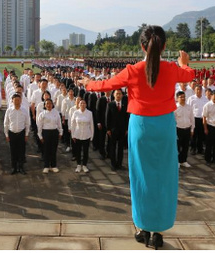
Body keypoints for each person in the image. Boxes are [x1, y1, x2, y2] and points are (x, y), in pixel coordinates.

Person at [82, 25, 194, 249]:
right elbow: (189, 75)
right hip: (164, 126)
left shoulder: (132, 71)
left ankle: (142, 227)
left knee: (140, 177)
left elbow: (105, 85)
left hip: (140, 127)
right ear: (164, 46)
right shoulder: (171, 69)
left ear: (142, 46)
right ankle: (158, 231)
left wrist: (87, 83)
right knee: (163, 178)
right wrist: (184, 62)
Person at [3, 93, 31, 175]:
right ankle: (14, 167)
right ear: (12, 101)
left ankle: (21, 167)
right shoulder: (9, 110)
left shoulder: (24, 110)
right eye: (15, 100)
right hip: (12, 133)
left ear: (21, 100)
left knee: (21, 151)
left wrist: (26, 134)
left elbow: (27, 123)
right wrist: (6, 135)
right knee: (13, 151)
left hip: (21, 133)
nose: (17, 101)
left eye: (18, 100)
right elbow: (6, 123)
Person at [105, 89, 129, 171]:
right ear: (114, 95)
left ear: (122, 95)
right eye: (117, 94)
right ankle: (113, 164)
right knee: (113, 147)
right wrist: (108, 129)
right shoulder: (110, 104)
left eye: (120, 94)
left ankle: (119, 164)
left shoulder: (125, 105)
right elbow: (107, 117)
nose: (118, 95)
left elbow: (127, 118)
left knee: (120, 148)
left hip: (122, 130)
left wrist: (126, 129)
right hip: (113, 130)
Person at [70, 99, 94, 173]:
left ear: (86, 104)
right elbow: (73, 124)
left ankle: (84, 165)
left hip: (86, 134)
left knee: (86, 151)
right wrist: (73, 134)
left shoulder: (89, 113)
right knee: (78, 150)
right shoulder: (75, 113)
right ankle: (78, 165)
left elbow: (91, 124)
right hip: (77, 134)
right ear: (78, 104)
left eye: (84, 103)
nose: (82, 104)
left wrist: (92, 135)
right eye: (81, 103)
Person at [174, 91, 193, 168]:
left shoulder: (189, 107)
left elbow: (192, 118)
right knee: (177, 146)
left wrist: (192, 129)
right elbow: (173, 121)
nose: (183, 98)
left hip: (187, 129)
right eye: (181, 97)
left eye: (184, 97)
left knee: (185, 146)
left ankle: (183, 160)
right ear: (177, 98)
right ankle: (177, 161)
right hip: (178, 129)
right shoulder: (175, 108)